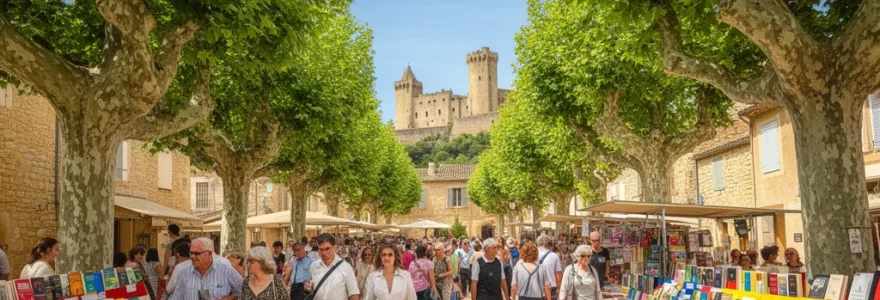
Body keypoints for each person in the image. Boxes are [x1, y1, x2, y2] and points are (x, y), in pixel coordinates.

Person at [169, 237, 243, 300]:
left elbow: (242, 291)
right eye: (191, 253)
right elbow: (176, 298)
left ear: (209, 254)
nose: (192, 256)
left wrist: (226, 299)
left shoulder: (226, 270)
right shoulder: (184, 274)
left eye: (197, 253)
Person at [304, 233, 360, 300]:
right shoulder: (313, 266)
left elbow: (354, 294)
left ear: (335, 248)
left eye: (327, 249)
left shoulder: (346, 267)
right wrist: (308, 289)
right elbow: (310, 287)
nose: (324, 253)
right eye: (321, 249)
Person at [537, 235, 563, 300]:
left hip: (535, 288)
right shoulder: (553, 255)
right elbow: (558, 274)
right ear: (547, 244)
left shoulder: (532, 254)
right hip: (551, 288)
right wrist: (559, 289)